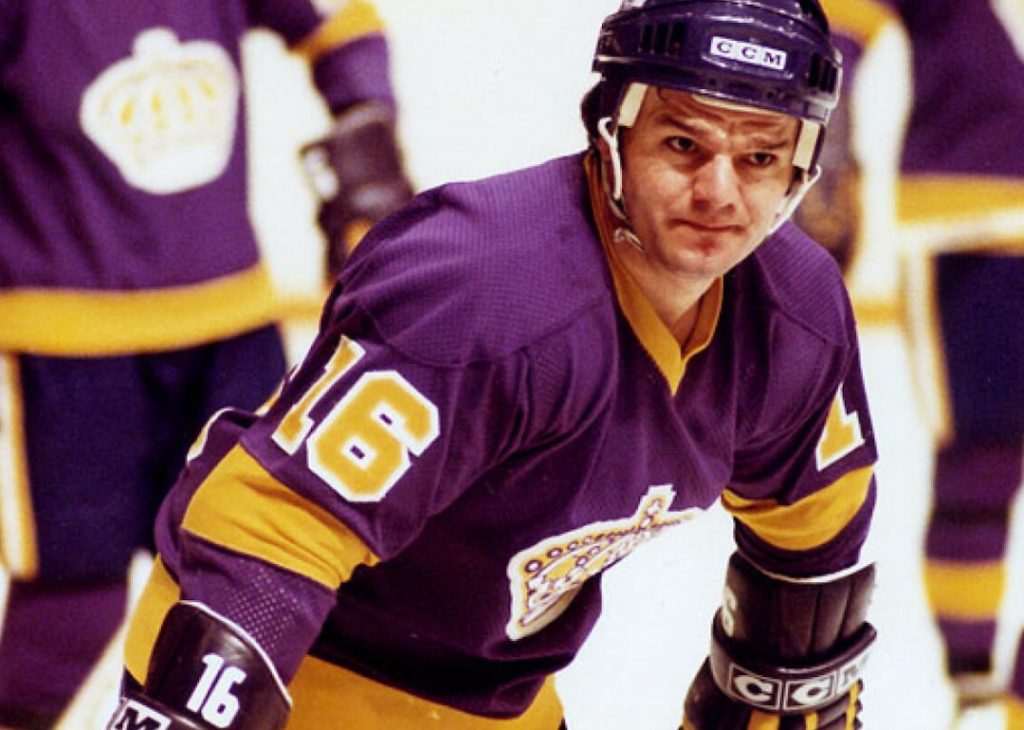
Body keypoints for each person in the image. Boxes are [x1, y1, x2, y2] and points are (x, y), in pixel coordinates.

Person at [105, 1, 880, 728]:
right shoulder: (483, 289)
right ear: (611, 130)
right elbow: (274, 533)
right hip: (312, 673)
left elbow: (807, 597)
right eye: (683, 144)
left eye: (760, 155)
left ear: (802, 170)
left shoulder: (796, 318)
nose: (720, 192)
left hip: (495, 699)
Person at [0, 1, 412, 727]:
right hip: (64, 347)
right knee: (72, 610)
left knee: (271, 581)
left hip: (230, 326)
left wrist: (365, 141)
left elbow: (341, 22)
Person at [821, 1, 1024, 725]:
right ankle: (974, 691)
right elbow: (842, 18)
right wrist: (821, 124)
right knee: (983, 460)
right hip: (975, 221)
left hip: (977, 214)